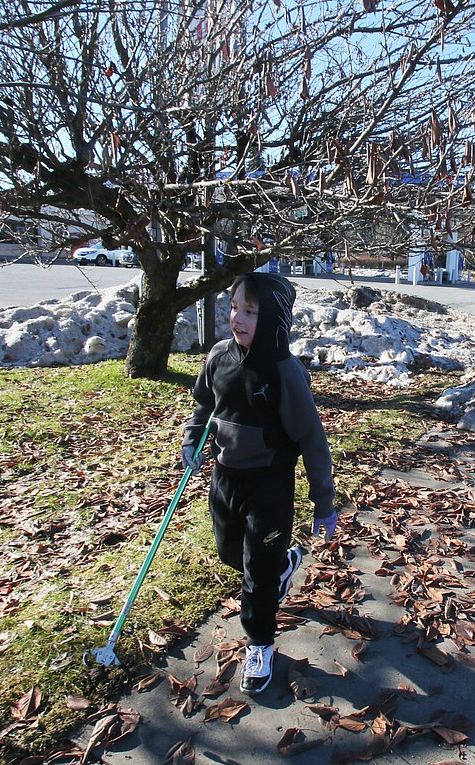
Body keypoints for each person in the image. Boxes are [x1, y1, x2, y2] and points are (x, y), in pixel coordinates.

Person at [182, 272, 339, 694]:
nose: (238, 318)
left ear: (272, 318)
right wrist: (194, 439)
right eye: (234, 307)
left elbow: (311, 438)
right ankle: (283, 565)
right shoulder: (218, 356)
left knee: (257, 575)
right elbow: (205, 404)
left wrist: (323, 501)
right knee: (229, 551)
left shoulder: (285, 372)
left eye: (250, 311)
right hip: (225, 476)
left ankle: (260, 643)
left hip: (269, 485)